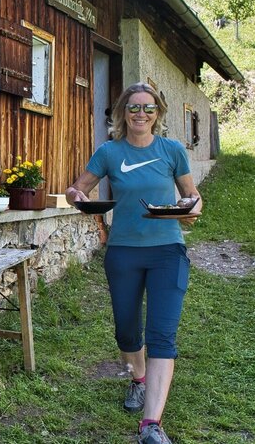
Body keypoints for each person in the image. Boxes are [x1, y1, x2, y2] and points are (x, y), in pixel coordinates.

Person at [65, 82, 202, 444]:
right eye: (134, 108)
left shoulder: (171, 150)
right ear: (122, 113)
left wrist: (191, 210)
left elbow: (192, 196)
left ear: (158, 114)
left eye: (149, 108)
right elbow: (77, 189)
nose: (141, 114)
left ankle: (150, 425)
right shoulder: (110, 152)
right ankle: (137, 380)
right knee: (127, 331)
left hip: (167, 252)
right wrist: (76, 196)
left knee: (162, 336)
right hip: (123, 252)